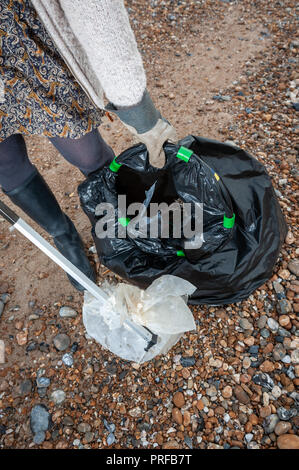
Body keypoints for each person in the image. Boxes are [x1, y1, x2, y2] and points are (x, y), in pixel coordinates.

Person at [0, 0, 177, 291]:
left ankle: (117, 220)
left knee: (88, 152)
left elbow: (96, 12)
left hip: (28, 47)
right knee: (7, 164)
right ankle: (63, 234)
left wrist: (136, 107)